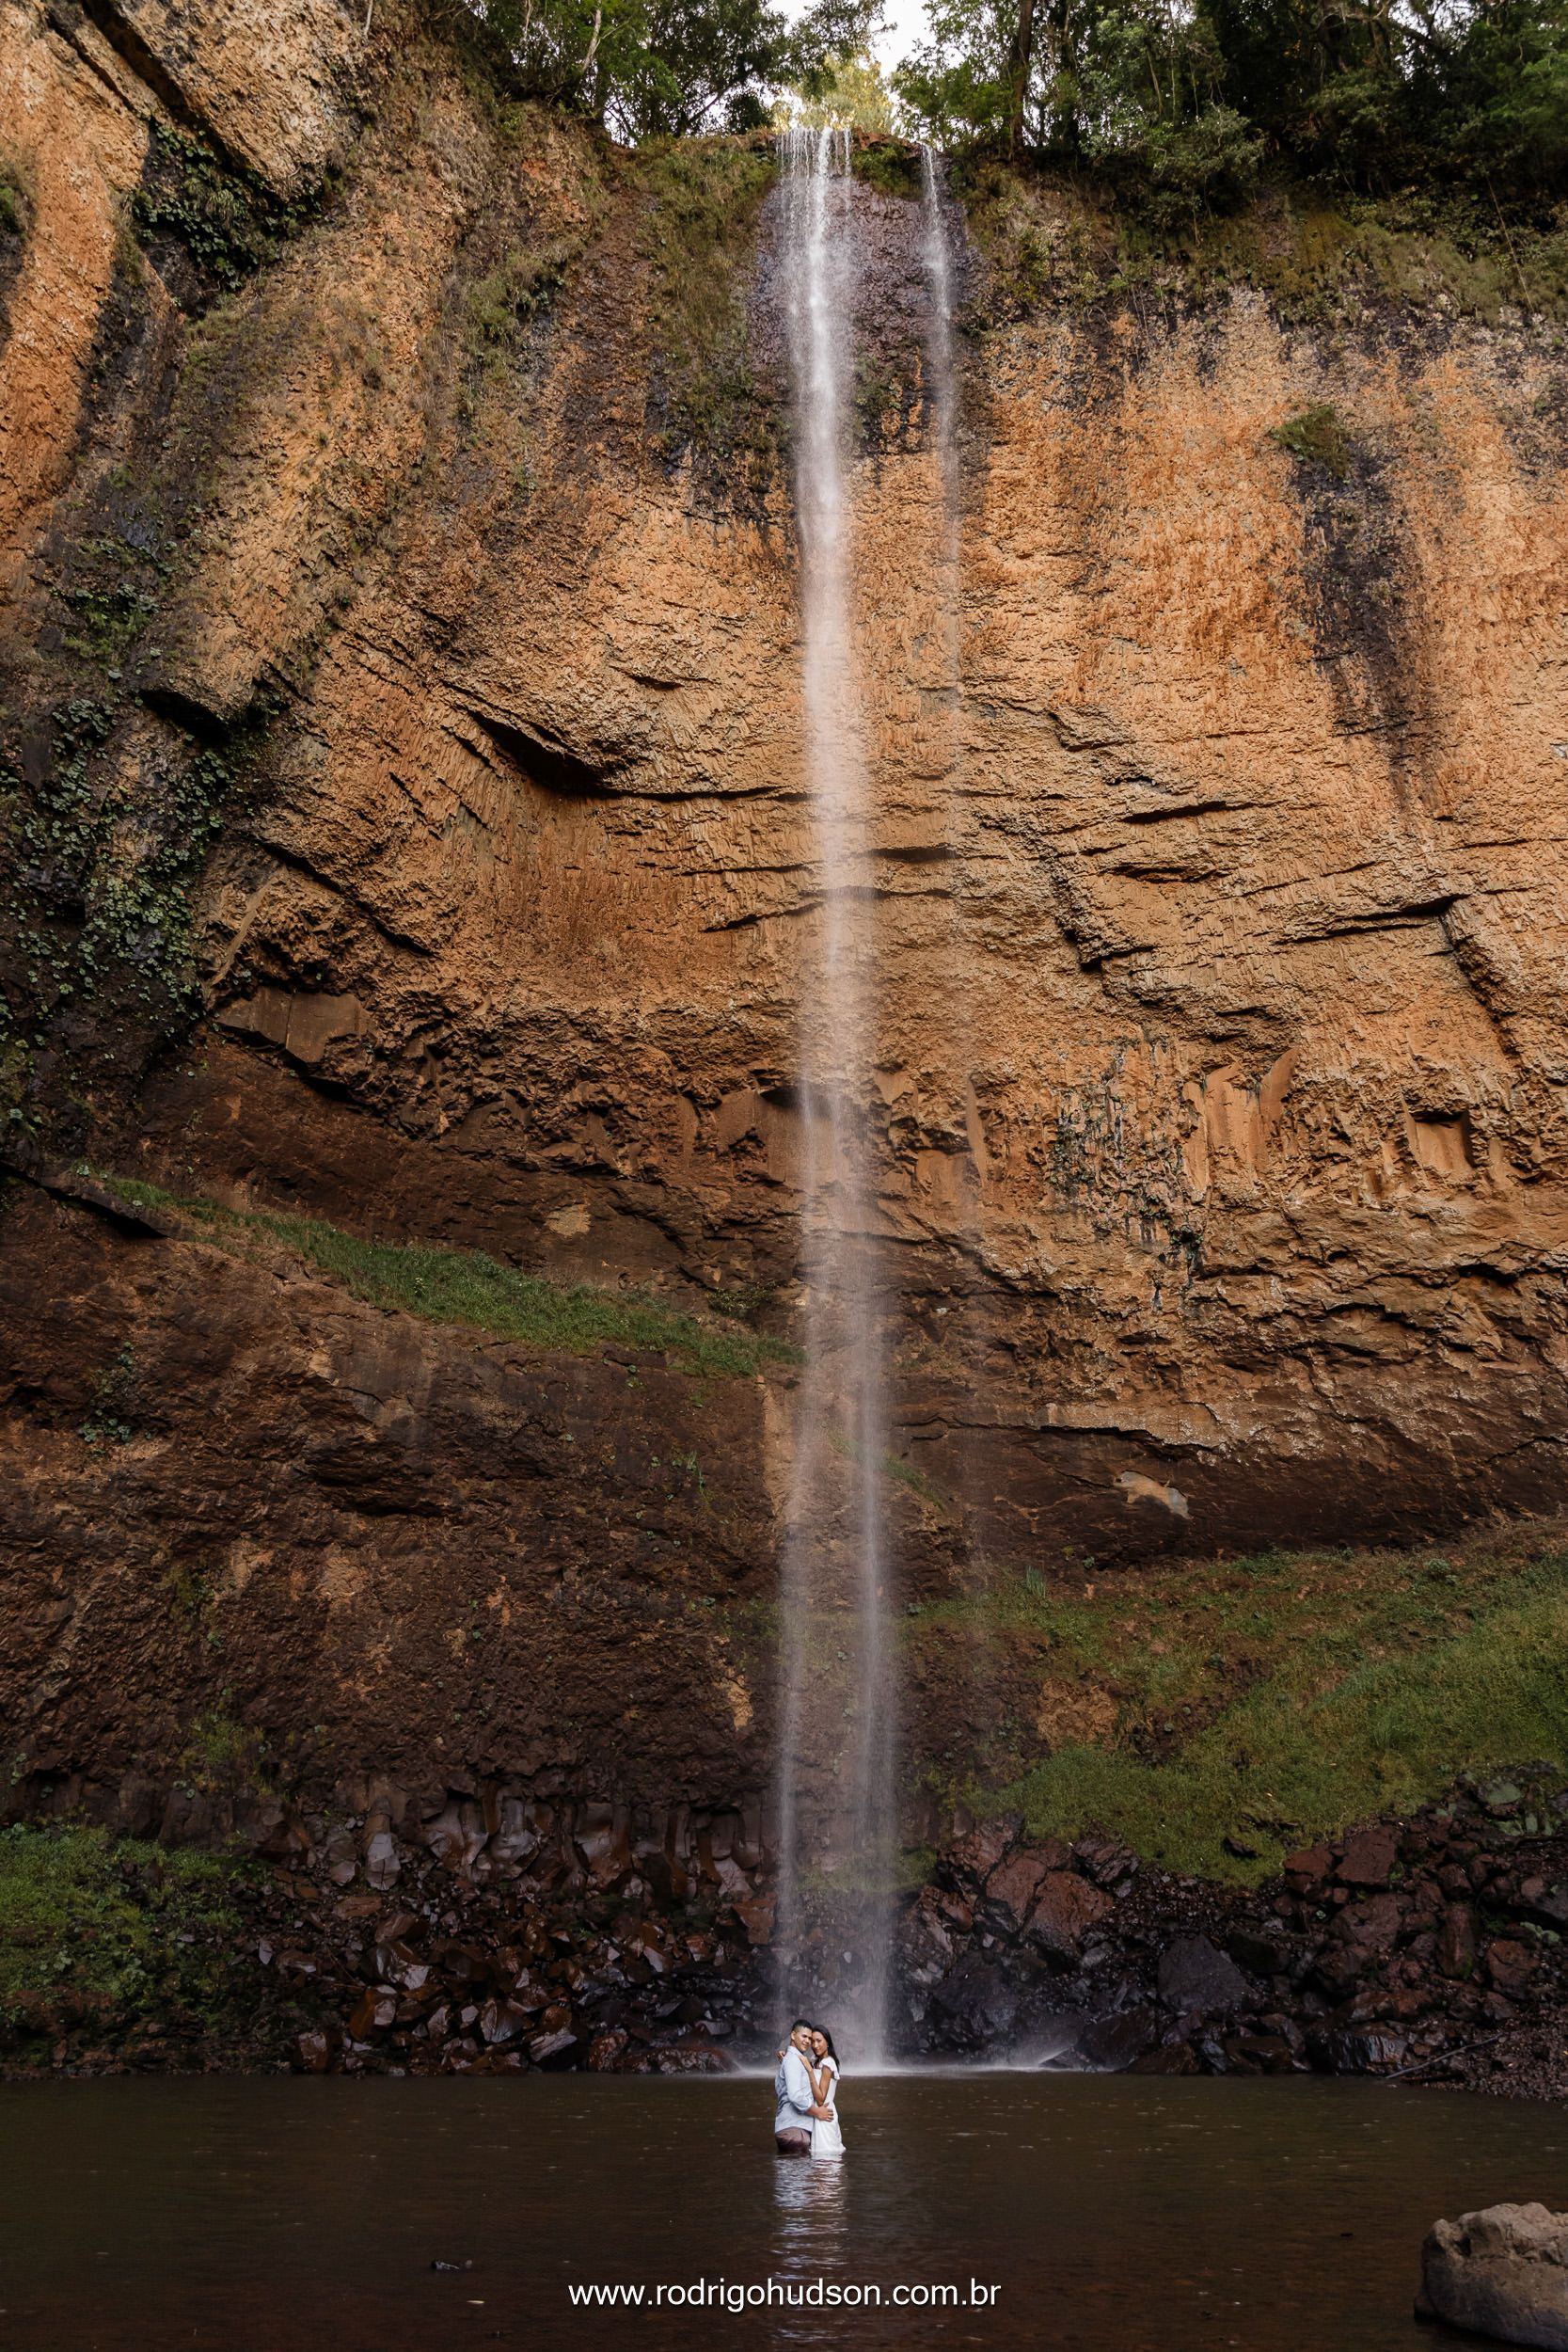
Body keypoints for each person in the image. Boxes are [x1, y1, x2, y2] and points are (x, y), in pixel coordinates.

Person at [773, 2018, 830, 2155]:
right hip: (794, 2130)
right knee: (797, 2175)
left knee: (795, 2174)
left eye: (810, 2038)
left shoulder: (795, 2059)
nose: (808, 2041)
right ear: (793, 2035)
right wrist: (817, 2112)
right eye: (804, 2036)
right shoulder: (793, 2060)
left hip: (793, 2129)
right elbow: (795, 2096)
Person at [807, 2026, 845, 2161]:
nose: (815, 2045)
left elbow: (821, 2099)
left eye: (819, 2041)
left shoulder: (828, 2063)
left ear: (827, 2042)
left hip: (825, 2114)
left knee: (826, 2161)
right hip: (818, 2114)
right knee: (819, 2163)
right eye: (812, 2041)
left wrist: (810, 2072)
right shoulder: (815, 2061)